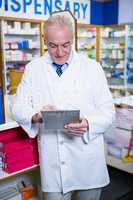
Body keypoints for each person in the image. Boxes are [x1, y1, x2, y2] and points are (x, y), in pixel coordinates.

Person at [12, 12, 115, 200]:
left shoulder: (92, 67)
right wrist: (37, 115)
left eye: (66, 45)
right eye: (53, 45)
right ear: (44, 41)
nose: (60, 52)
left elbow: (109, 112)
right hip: (53, 164)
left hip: (88, 161)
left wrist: (88, 123)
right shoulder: (34, 68)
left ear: (72, 39)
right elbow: (18, 108)